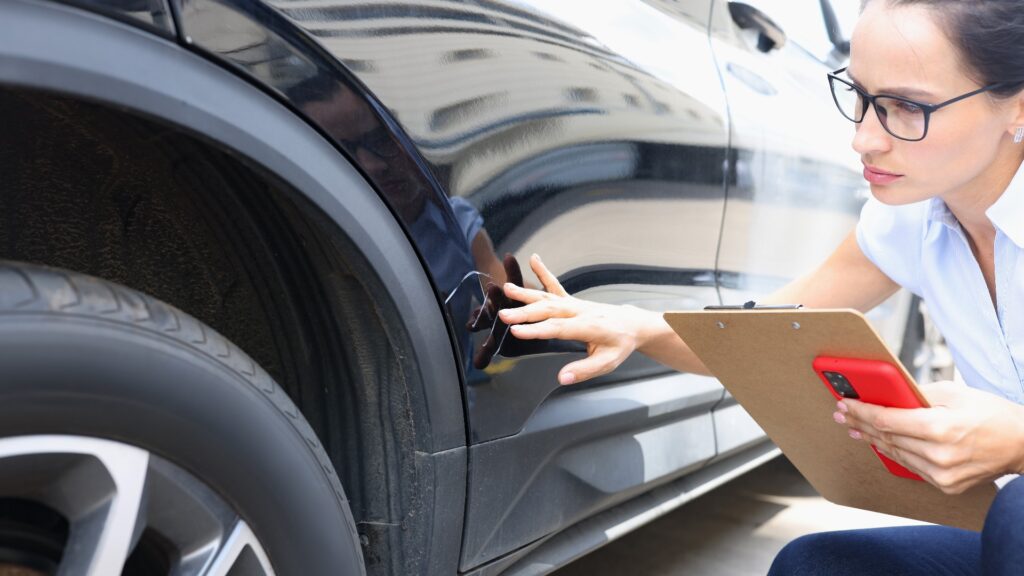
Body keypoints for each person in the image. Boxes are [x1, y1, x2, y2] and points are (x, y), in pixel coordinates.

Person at [496, 1, 1024, 573]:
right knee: (815, 565)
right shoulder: (909, 222)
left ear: (1018, 107)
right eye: (861, 97)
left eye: (907, 108)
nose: (864, 139)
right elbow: (760, 335)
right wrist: (636, 325)